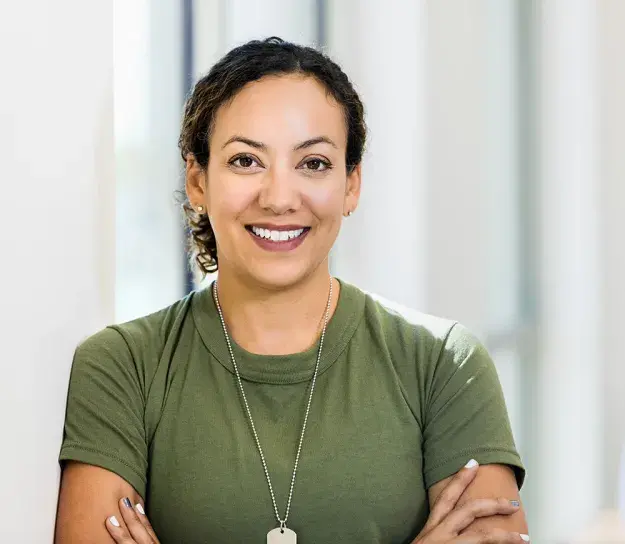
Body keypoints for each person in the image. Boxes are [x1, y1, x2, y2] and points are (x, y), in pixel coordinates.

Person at [55, 37, 529, 544]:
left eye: (314, 164)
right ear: (197, 180)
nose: (280, 198)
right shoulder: (121, 368)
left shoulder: (443, 366)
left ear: (352, 184)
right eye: (245, 161)